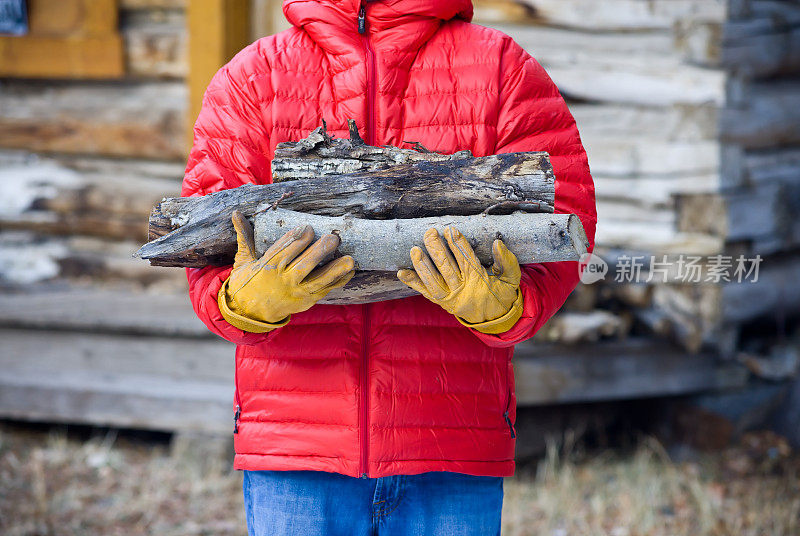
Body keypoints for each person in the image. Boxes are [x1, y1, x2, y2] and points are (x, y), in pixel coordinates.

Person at [181, 0, 596, 534]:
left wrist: (505, 307)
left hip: (450, 439)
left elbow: (565, 214)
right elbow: (198, 235)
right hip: (296, 444)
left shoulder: (500, 68)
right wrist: (242, 304)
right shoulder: (255, 75)